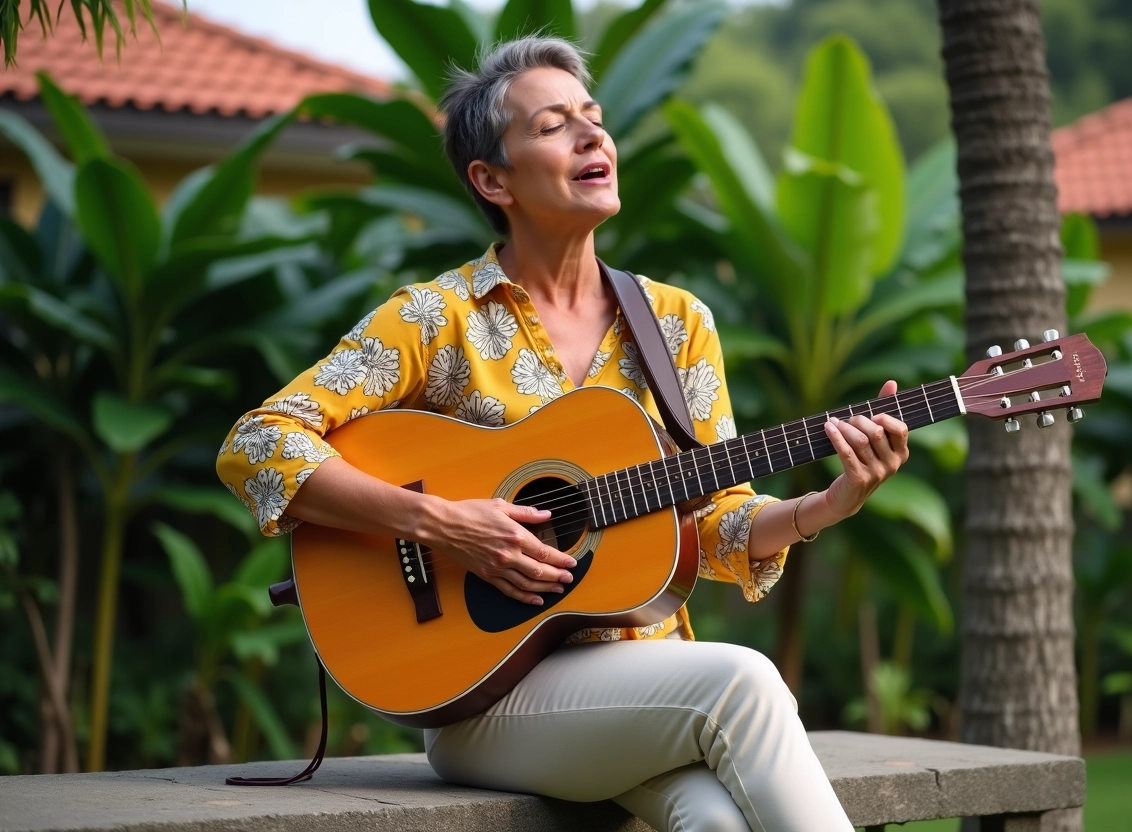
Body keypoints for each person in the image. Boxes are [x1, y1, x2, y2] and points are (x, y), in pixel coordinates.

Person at [216, 36, 910, 832]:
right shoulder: (435, 319)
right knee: (744, 682)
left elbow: (713, 526)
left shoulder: (677, 324)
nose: (593, 138)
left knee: (713, 822)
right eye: (554, 125)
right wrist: (440, 522)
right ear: (491, 178)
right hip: (485, 696)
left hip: (643, 682)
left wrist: (827, 504)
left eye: (595, 118)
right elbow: (258, 442)